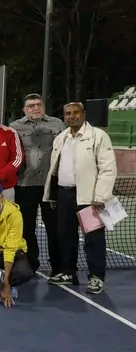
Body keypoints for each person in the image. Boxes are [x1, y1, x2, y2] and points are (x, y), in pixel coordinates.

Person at [43, 101, 117, 294]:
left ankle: (96, 277)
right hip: (64, 195)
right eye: (68, 113)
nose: (72, 116)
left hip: (89, 198)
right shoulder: (61, 138)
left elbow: (108, 168)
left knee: (93, 239)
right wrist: (53, 195)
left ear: (84, 114)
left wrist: (100, 196)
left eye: (76, 112)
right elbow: (55, 169)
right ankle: (69, 272)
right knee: (66, 237)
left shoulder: (98, 136)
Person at [10, 93, 65, 275]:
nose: (35, 108)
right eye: (31, 106)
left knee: (54, 228)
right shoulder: (14, 127)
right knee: (27, 228)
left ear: (43, 107)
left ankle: (58, 267)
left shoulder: (57, 124)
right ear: (24, 109)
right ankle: (31, 264)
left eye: (38, 105)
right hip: (25, 185)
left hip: (52, 185)